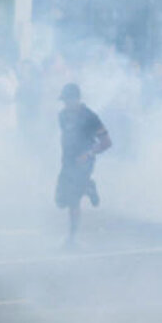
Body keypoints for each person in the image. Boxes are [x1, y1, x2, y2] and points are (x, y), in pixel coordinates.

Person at [55, 83, 111, 247]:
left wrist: (89, 154)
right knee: (60, 201)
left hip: (84, 164)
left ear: (76, 99)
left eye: (68, 101)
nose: (65, 105)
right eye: (64, 101)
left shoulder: (90, 117)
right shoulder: (62, 115)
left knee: (73, 202)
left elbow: (107, 142)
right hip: (67, 163)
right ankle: (88, 186)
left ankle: (72, 239)